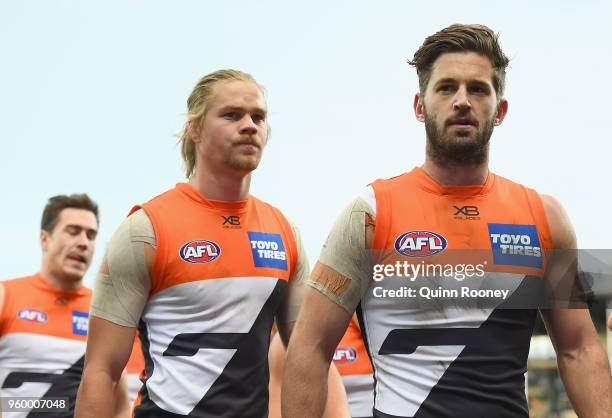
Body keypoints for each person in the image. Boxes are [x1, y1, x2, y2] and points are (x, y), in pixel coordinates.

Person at [282, 24, 612, 418]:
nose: (461, 101)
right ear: (420, 106)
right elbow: (310, 347)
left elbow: (579, 349)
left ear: (500, 110)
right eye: (446, 87)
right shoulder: (370, 214)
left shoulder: (543, 217)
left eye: (477, 89)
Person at [75, 69, 312, 418]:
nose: (249, 125)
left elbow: (309, 358)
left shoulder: (284, 232)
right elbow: (100, 372)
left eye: (258, 117)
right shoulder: (144, 230)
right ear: (195, 128)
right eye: (232, 115)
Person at [0, 194, 130, 418]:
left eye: (91, 235)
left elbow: (119, 407)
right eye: (73, 231)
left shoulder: (106, 312)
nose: (83, 242)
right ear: (44, 239)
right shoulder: (6, 295)